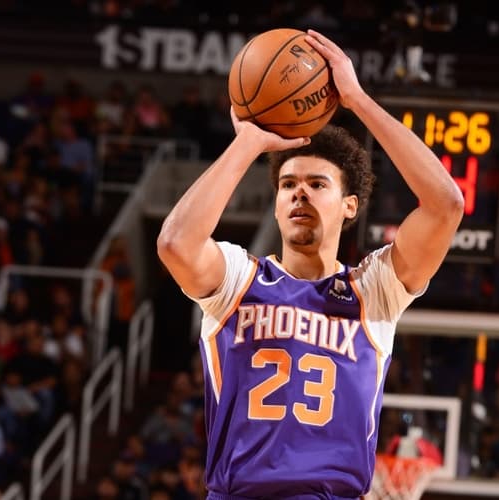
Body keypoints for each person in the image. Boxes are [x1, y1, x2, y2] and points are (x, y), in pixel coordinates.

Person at [157, 29, 463, 498]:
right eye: (287, 185)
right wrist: (248, 143)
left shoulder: (374, 290)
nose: (299, 192)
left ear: (350, 206)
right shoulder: (238, 279)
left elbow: (445, 205)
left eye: (318, 184)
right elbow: (176, 243)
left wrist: (357, 99)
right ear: (276, 205)